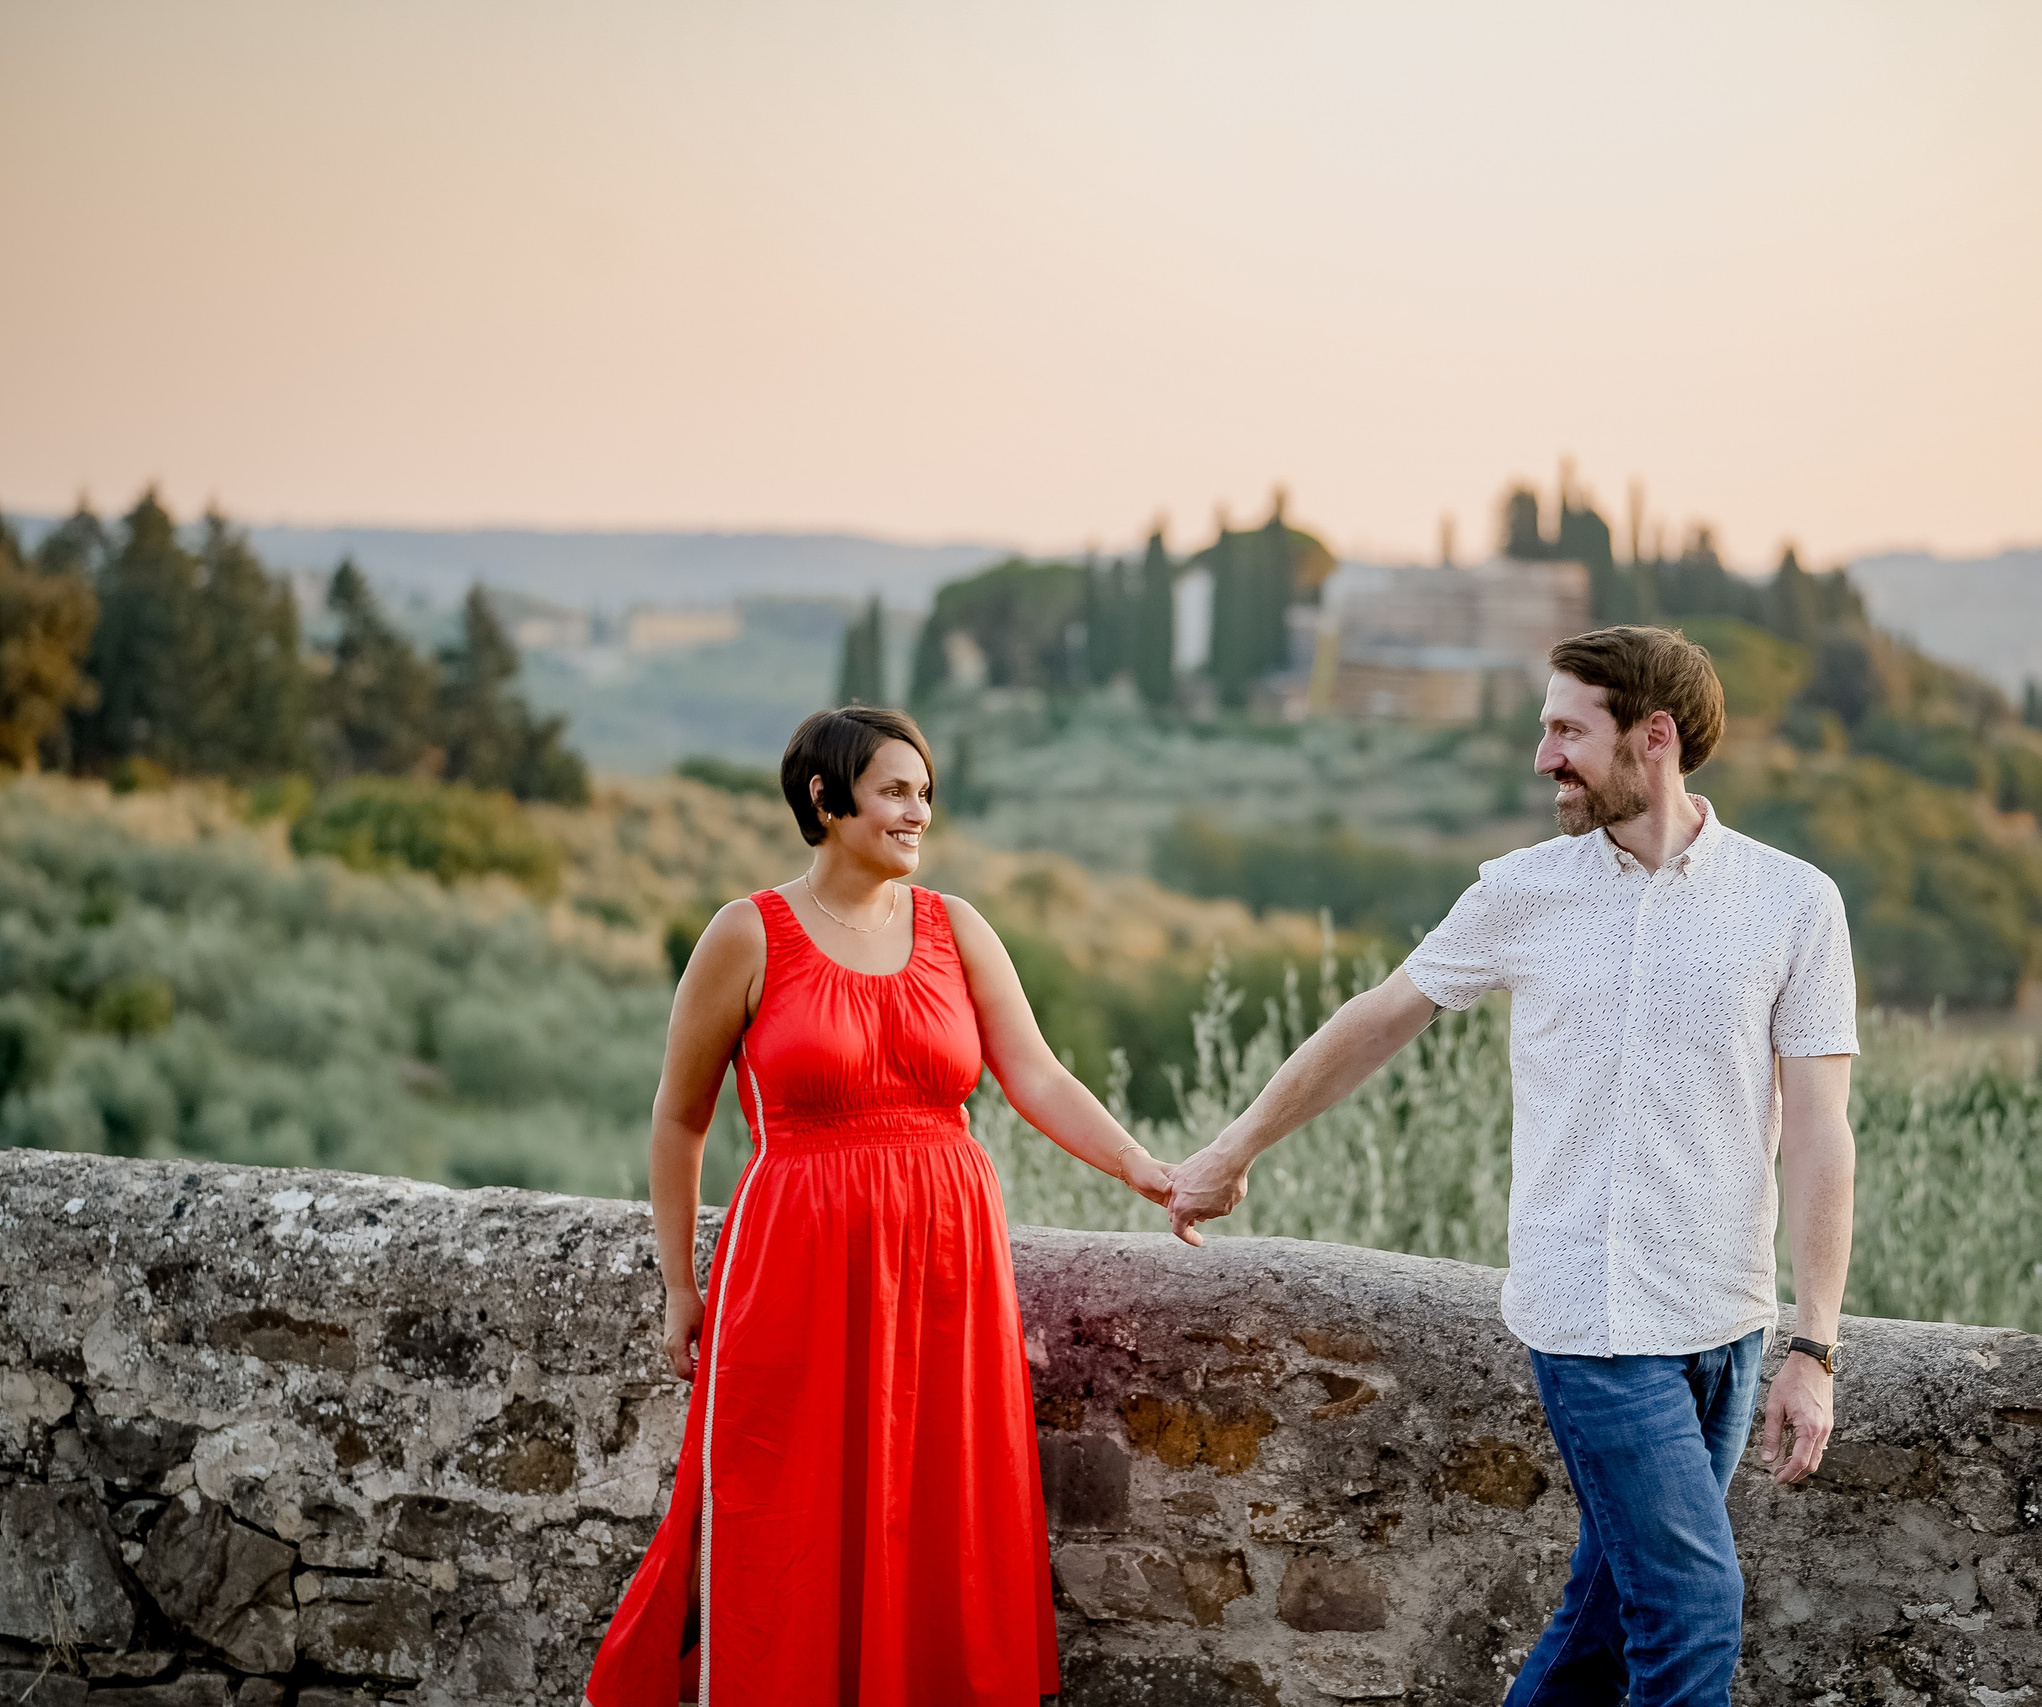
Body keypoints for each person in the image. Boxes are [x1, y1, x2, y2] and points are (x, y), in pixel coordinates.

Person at [1165, 625, 1859, 1706]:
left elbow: (1821, 1130)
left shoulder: (1793, 902)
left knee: (1602, 1619)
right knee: (1691, 1610)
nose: (1544, 758)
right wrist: (1232, 1146)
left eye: (1567, 731)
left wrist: (1813, 1343)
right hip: (1591, 1317)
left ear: (1655, 737)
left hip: (1728, 1319)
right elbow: (1377, 1020)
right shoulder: (1520, 891)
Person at [586, 705, 1174, 1707]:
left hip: (947, 1270)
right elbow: (679, 1119)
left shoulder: (957, 927)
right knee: (791, 1508)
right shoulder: (746, 934)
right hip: (798, 1266)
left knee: (938, 1505)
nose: (918, 812)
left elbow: (1036, 1075)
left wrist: (1143, 1169)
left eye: (925, 792)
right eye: (895, 791)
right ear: (826, 798)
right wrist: (680, 1284)